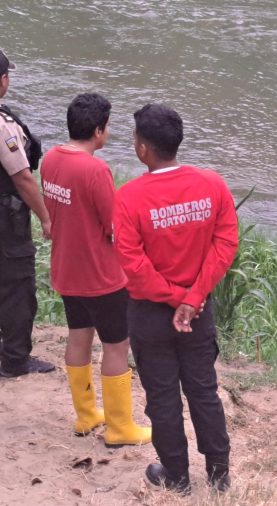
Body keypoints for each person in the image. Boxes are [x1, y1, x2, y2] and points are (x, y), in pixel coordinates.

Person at [113, 104, 238, 494]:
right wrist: (194, 297)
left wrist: (175, 298)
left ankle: (177, 477)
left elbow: (133, 266)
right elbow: (226, 241)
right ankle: (219, 475)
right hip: (198, 313)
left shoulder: (129, 198)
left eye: (135, 138)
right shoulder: (212, 184)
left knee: (163, 395)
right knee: (203, 389)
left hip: (151, 315)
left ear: (143, 149)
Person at [39, 93, 151, 446]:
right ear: (99, 130)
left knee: (78, 337)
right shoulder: (96, 170)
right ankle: (120, 428)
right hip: (102, 275)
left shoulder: (51, 158)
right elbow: (112, 225)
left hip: (66, 268)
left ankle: (86, 416)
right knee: (117, 346)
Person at [0, 50, 55, 378]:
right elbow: (22, 177)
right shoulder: (3, 127)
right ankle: (16, 360)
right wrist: (46, 217)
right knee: (18, 288)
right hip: (7, 224)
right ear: (2, 80)